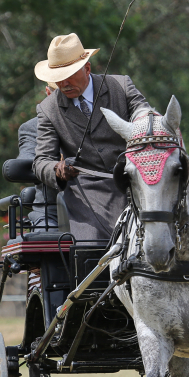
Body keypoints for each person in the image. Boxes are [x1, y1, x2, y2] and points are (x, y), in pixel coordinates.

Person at [33, 33, 151, 240]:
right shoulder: (47, 109)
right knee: (90, 246)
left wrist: (144, 120)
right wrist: (58, 169)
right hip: (87, 192)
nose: (63, 83)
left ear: (87, 69)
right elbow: (40, 161)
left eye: (69, 75)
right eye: (58, 78)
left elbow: (145, 113)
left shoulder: (121, 86)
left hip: (137, 180)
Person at [18, 83, 59, 229]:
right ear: (48, 92)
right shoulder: (31, 128)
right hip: (53, 212)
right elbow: (26, 160)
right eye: (60, 91)